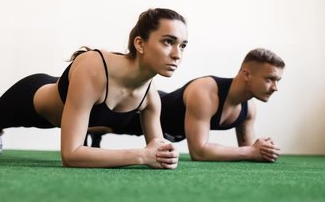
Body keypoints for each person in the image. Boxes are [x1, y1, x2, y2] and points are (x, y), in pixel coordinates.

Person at [0, 8, 189, 169]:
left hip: (67, 112)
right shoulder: (94, 68)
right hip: (32, 100)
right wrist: (141, 155)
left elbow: (157, 149)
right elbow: (71, 155)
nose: (177, 55)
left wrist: (166, 156)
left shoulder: (150, 98)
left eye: (183, 45)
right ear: (140, 43)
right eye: (168, 42)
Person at [89, 48, 284, 163]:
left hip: (163, 130)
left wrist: (263, 150)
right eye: (270, 79)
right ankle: (96, 130)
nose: (275, 87)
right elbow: (199, 151)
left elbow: (248, 151)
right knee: (64, 108)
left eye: (277, 81)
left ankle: (96, 132)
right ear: (247, 74)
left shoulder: (249, 109)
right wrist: (251, 151)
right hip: (140, 111)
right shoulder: (206, 90)